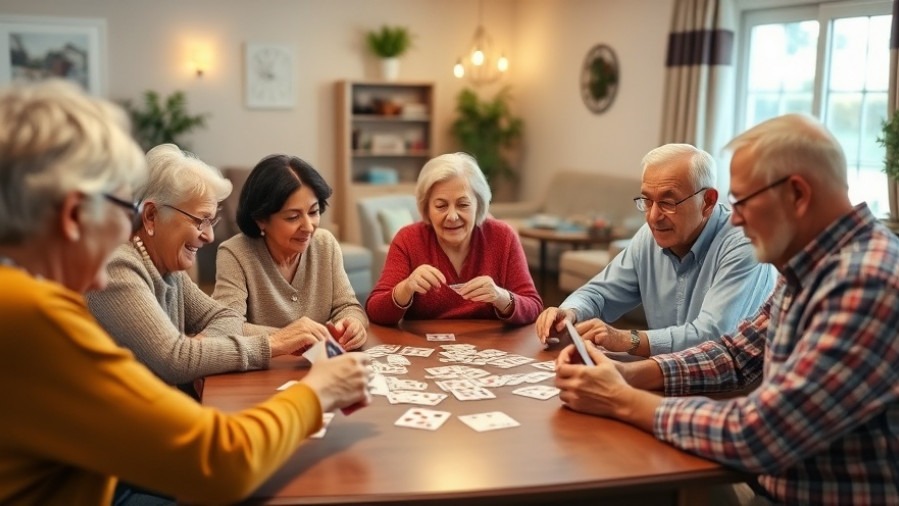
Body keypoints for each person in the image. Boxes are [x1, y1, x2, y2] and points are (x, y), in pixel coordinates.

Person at [0, 80, 371, 505]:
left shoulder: (30, 295)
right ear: (73, 215)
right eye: (124, 212)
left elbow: (216, 321)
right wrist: (319, 390)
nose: (128, 232)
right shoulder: (32, 311)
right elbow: (220, 462)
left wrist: (198, 348)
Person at [554, 114, 899, 504]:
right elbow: (736, 354)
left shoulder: (865, 281)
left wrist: (621, 398)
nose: (733, 218)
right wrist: (629, 374)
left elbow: (760, 434)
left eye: (744, 201)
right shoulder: (809, 264)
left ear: (798, 195)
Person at [86, 144, 327, 398]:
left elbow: (226, 316)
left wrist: (201, 349)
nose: (209, 235)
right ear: (150, 216)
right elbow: (175, 361)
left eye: (212, 221)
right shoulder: (117, 267)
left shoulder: (169, 270)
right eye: (200, 220)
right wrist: (271, 344)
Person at [536, 144, 775, 357]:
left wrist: (627, 339)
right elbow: (600, 294)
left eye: (668, 203)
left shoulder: (744, 241)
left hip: (733, 390)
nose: (653, 217)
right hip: (668, 375)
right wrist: (570, 312)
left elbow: (712, 336)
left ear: (708, 201)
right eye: (647, 201)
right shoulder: (649, 237)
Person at [366, 152, 542, 325]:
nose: (452, 216)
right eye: (441, 205)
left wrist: (501, 297)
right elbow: (375, 311)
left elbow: (534, 307)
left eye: (463, 204)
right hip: (425, 349)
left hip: (491, 347)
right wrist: (406, 287)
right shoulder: (408, 239)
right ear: (426, 208)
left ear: (479, 204)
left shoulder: (503, 237)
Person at [213, 154, 367, 350]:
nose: (309, 227)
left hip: (318, 368)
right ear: (261, 219)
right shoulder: (235, 253)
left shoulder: (325, 244)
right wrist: (288, 336)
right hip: (262, 372)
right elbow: (225, 327)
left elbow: (348, 306)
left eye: (313, 212)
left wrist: (354, 324)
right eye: (293, 217)